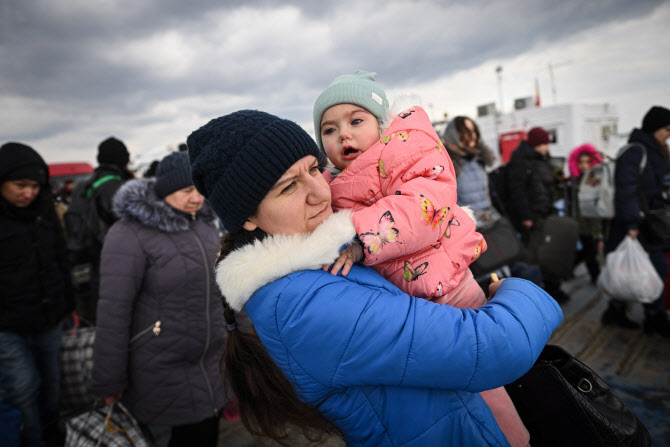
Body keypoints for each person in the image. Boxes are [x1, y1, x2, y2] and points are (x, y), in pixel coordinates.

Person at [186, 109, 563, 446]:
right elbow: (489, 346)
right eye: (289, 186)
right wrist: (518, 289)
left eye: (315, 169)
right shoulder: (303, 306)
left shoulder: (326, 260)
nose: (320, 192)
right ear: (248, 219)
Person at [313, 72, 531, 445]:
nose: (343, 135)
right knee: (460, 395)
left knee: (486, 388)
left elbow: (420, 208)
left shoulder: (408, 150)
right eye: (329, 130)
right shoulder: (335, 182)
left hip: (447, 291)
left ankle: (517, 440)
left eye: (355, 121)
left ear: (382, 124)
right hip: (413, 305)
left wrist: (360, 242)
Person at [90, 152, 227, 447]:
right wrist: (108, 379)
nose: (197, 198)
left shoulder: (204, 227)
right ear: (165, 191)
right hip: (161, 363)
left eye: (200, 189)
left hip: (210, 360)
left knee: (206, 434)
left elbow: (223, 288)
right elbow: (114, 311)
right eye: (187, 190)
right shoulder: (129, 234)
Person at [0, 142, 74, 447]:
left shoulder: (45, 212)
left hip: (49, 319)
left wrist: (67, 306)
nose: (28, 192)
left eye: (34, 186)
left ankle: (52, 433)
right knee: (22, 387)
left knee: (52, 384)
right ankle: (31, 440)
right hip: (7, 327)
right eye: (20, 185)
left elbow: (60, 260)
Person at [601, 105, 670, 335]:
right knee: (654, 266)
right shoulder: (635, 151)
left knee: (633, 268)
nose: (668, 134)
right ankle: (653, 316)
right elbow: (626, 189)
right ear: (654, 128)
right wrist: (631, 223)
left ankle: (616, 310)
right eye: (666, 129)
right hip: (635, 224)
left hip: (651, 222)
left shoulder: (657, 151)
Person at [504, 127, 571, 303]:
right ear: (534, 144)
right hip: (532, 217)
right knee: (536, 256)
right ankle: (536, 293)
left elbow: (543, 185)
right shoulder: (521, 160)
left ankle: (552, 288)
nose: (546, 148)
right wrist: (525, 216)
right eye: (543, 144)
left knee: (550, 252)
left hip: (545, 212)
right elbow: (517, 191)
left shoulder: (542, 159)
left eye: (547, 144)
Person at [73, 136, 134, 323]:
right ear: (122, 159)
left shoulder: (83, 185)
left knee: (103, 313)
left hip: (90, 260)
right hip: (118, 261)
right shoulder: (115, 186)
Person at [567, 143, 604, 284]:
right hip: (581, 223)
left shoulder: (597, 179)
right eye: (581, 162)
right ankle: (596, 277)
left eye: (588, 162)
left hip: (595, 222)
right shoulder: (575, 181)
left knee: (589, 252)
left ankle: (569, 268)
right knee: (590, 253)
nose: (584, 165)